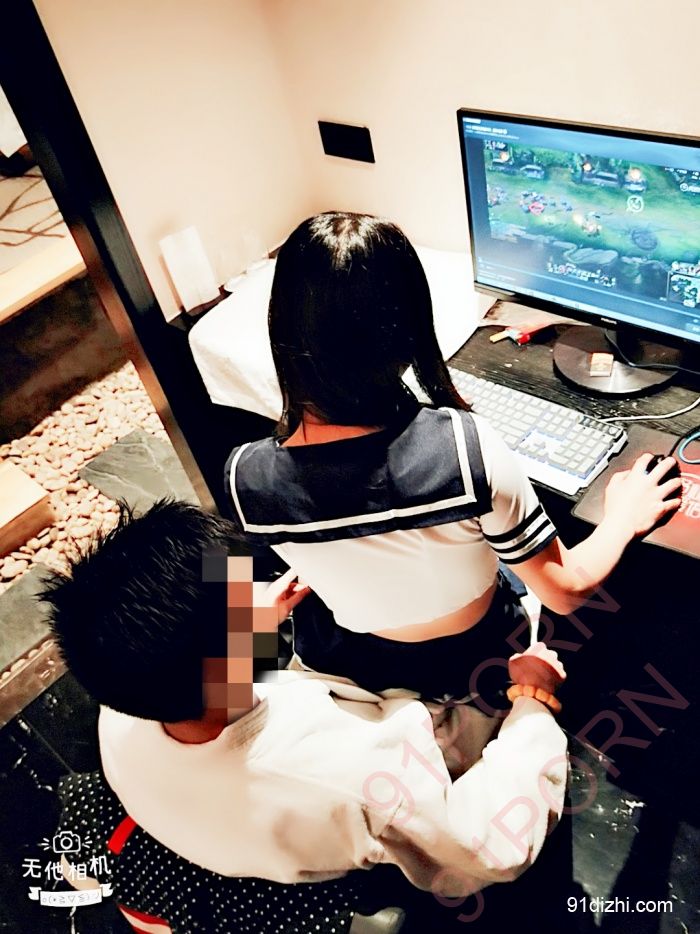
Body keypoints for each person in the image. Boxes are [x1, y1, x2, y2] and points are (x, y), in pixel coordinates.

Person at [223, 211, 682, 705]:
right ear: (408, 328)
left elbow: (235, 632)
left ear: (281, 327)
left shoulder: (243, 478)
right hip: (474, 658)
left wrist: (259, 627)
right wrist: (624, 518)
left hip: (350, 660)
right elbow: (565, 590)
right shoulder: (464, 451)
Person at [42, 499, 567, 926]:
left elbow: (211, 686)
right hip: (336, 851)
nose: (255, 585)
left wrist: (253, 627)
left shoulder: (124, 699)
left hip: (218, 825)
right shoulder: (354, 774)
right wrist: (531, 703)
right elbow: (491, 850)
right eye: (241, 592)